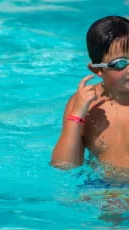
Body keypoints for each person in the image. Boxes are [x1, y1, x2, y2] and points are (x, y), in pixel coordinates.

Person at [51, 16, 129, 171]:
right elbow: (63, 165)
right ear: (98, 70)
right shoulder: (85, 104)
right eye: (120, 63)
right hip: (100, 187)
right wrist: (76, 117)